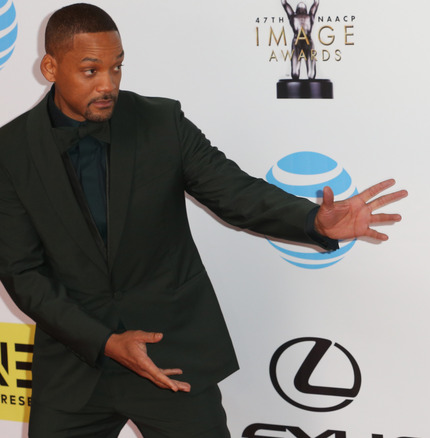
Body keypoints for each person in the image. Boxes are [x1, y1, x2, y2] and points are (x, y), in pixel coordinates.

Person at [0, 3, 406, 437]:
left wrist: (313, 221)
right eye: (90, 71)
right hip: (74, 369)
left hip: (171, 355)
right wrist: (104, 343)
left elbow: (235, 192)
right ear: (49, 66)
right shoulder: (11, 150)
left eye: (116, 68)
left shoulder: (161, 123)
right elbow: (23, 272)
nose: (108, 84)